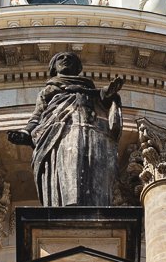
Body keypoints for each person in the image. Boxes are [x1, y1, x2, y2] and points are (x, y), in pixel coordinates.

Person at [9, 52, 123, 207]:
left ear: (78, 67)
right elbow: (37, 115)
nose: (66, 59)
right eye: (60, 58)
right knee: (64, 164)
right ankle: (65, 204)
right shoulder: (49, 90)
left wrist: (106, 93)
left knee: (90, 165)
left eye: (70, 58)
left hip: (88, 128)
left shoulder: (88, 88)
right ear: (53, 68)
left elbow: (103, 104)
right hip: (57, 131)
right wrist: (25, 133)